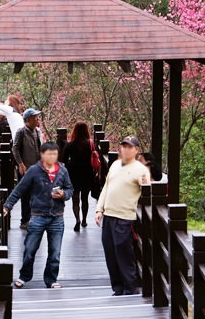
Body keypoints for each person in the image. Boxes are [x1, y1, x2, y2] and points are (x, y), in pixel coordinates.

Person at [2, 142, 73, 289]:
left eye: (55, 154)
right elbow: (19, 189)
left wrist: (63, 194)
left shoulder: (63, 171)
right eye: (49, 154)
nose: (52, 156)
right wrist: (7, 206)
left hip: (57, 216)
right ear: (42, 155)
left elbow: (70, 189)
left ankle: (51, 279)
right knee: (30, 249)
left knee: (55, 253)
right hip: (38, 215)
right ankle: (24, 276)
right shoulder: (34, 170)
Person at [95, 136, 150, 296]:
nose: (126, 149)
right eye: (124, 146)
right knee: (110, 252)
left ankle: (130, 287)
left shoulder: (140, 169)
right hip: (109, 215)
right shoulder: (114, 165)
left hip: (125, 217)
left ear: (136, 150)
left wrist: (146, 182)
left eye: (130, 147)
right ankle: (117, 287)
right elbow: (106, 186)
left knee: (124, 253)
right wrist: (99, 209)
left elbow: (147, 189)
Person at [61, 121, 96, 232]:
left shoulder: (70, 144)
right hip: (87, 173)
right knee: (85, 199)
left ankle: (77, 220)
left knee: (75, 199)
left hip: (73, 174)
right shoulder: (89, 143)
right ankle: (84, 220)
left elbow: (63, 160)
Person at [11, 108, 43, 229]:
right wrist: (20, 163)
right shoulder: (21, 132)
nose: (37, 119)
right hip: (25, 169)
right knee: (25, 195)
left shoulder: (36, 131)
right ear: (28, 119)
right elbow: (15, 148)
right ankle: (25, 220)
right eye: (35, 117)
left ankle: (34, 218)